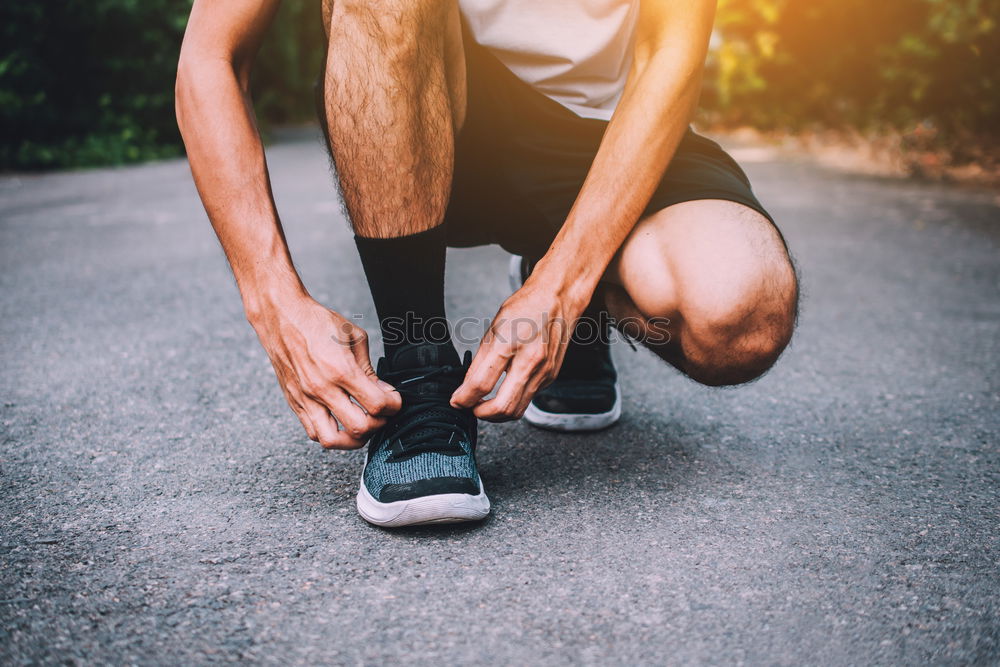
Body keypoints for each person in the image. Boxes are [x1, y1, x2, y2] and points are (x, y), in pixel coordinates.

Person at [175, 0, 798, 527]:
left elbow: (672, 49)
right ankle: (420, 370)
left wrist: (563, 287)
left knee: (739, 317)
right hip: (433, 110)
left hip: (613, 135)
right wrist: (274, 304)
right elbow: (211, 57)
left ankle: (564, 283)